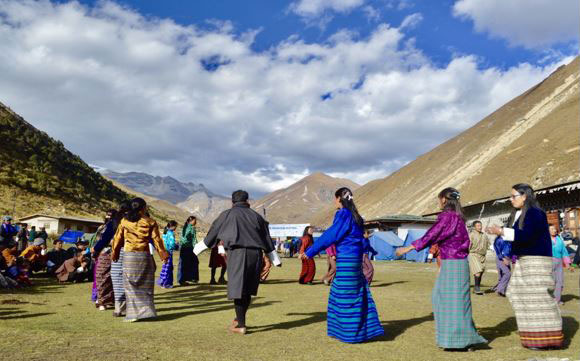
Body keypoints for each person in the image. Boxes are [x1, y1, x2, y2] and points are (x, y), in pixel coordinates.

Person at [397, 187, 486, 351]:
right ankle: (461, 338)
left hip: (453, 263)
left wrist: (408, 248)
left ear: (444, 199)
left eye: (439, 199)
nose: (439, 202)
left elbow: (433, 233)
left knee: (452, 303)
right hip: (456, 263)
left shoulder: (448, 216)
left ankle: (461, 341)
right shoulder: (458, 217)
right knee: (447, 299)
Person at [301, 187, 383, 343]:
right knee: (352, 293)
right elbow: (361, 239)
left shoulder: (343, 214)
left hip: (346, 259)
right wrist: (370, 250)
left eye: (335, 198)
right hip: (356, 260)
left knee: (345, 296)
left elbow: (331, 234)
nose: (335, 202)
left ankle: (350, 333)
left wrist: (311, 251)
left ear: (339, 198)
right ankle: (351, 330)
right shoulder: (356, 216)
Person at [486, 183, 563, 350]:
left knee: (538, 300)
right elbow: (518, 238)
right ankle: (534, 335)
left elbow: (527, 235)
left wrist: (501, 231)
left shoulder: (535, 214)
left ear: (524, 196)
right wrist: (508, 253)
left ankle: (548, 338)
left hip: (536, 261)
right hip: (524, 260)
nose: (510, 199)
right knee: (517, 293)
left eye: (514, 196)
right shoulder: (521, 214)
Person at [194, 190, 281, 335]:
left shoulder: (227, 214)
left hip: (237, 253)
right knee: (246, 289)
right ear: (248, 201)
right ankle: (239, 319)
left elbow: (212, 234)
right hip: (256, 255)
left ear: (232, 201)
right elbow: (266, 238)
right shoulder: (257, 216)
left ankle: (241, 325)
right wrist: (274, 259)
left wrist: (196, 250)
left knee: (238, 289)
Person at [112, 198, 169, 322]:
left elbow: (117, 239)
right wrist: (163, 255)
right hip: (144, 255)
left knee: (130, 286)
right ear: (143, 208)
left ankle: (132, 315)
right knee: (146, 286)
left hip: (129, 256)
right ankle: (147, 312)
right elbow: (157, 240)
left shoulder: (124, 221)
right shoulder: (150, 222)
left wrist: (115, 254)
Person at [93, 209, 119, 311]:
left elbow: (103, 240)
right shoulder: (104, 226)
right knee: (105, 277)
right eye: (107, 215)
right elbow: (98, 239)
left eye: (110, 215)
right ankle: (102, 301)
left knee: (104, 277)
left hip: (106, 252)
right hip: (106, 252)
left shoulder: (113, 224)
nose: (108, 217)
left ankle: (104, 301)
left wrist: (96, 250)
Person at [111, 200, 131, 317]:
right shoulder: (132, 220)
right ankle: (126, 308)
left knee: (117, 279)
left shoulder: (115, 220)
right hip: (130, 251)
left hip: (116, 251)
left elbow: (107, 236)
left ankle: (118, 308)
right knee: (129, 279)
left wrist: (96, 249)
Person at [549, 225, 572, 305]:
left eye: (555, 228)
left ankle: (557, 300)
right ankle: (549, 299)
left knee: (560, 281)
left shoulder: (559, 240)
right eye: (552, 229)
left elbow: (564, 252)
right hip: (548, 262)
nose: (554, 230)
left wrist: (567, 264)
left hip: (559, 262)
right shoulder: (545, 240)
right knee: (551, 281)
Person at [468, 220, 491, 295]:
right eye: (478, 226)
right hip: (473, 254)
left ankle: (476, 288)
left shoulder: (484, 235)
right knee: (477, 271)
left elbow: (489, 245)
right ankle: (477, 288)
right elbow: (467, 245)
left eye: (480, 225)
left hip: (482, 256)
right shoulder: (471, 235)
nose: (480, 227)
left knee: (481, 272)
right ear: (474, 227)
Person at [178, 216, 199, 286]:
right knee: (194, 262)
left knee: (183, 263)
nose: (196, 222)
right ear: (191, 221)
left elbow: (181, 239)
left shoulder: (184, 227)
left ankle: (182, 279)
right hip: (189, 248)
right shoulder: (192, 228)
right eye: (195, 221)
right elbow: (194, 239)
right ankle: (192, 278)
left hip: (182, 248)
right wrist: (197, 248)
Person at [158, 220, 178, 289]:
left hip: (164, 251)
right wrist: (176, 246)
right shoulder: (171, 233)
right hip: (169, 252)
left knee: (165, 267)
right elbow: (172, 243)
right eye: (175, 226)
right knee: (168, 268)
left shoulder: (165, 232)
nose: (176, 228)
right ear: (172, 226)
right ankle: (166, 283)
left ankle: (162, 282)